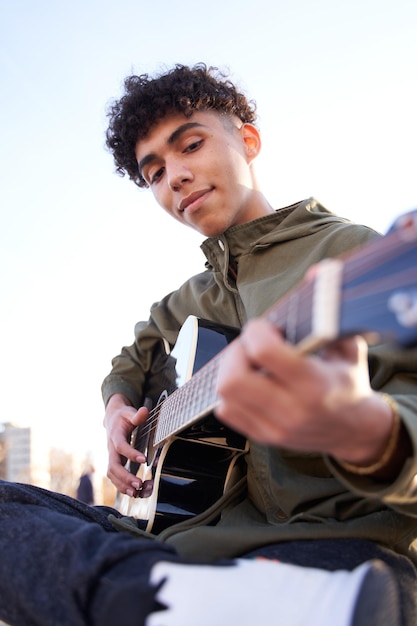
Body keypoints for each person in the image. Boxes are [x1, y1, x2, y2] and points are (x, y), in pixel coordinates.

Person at [0, 63, 416, 626]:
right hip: (173, 540)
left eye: (190, 145)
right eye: (154, 173)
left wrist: (367, 431)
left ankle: (151, 598)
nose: (174, 177)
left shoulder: (351, 256)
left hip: (329, 549)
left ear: (248, 140)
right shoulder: (187, 299)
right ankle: (171, 597)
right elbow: (130, 361)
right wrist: (117, 411)